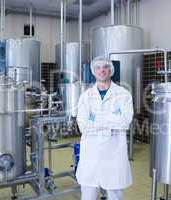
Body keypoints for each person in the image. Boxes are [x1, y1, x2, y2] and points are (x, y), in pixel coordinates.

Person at [76, 56, 134, 200]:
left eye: (106, 67)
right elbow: (83, 125)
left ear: (111, 70)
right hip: (91, 154)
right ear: (93, 71)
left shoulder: (123, 95)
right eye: (98, 67)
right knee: (88, 195)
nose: (102, 70)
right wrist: (112, 117)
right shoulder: (86, 96)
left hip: (114, 154)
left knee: (115, 195)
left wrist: (95, 118)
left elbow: (125, 121)